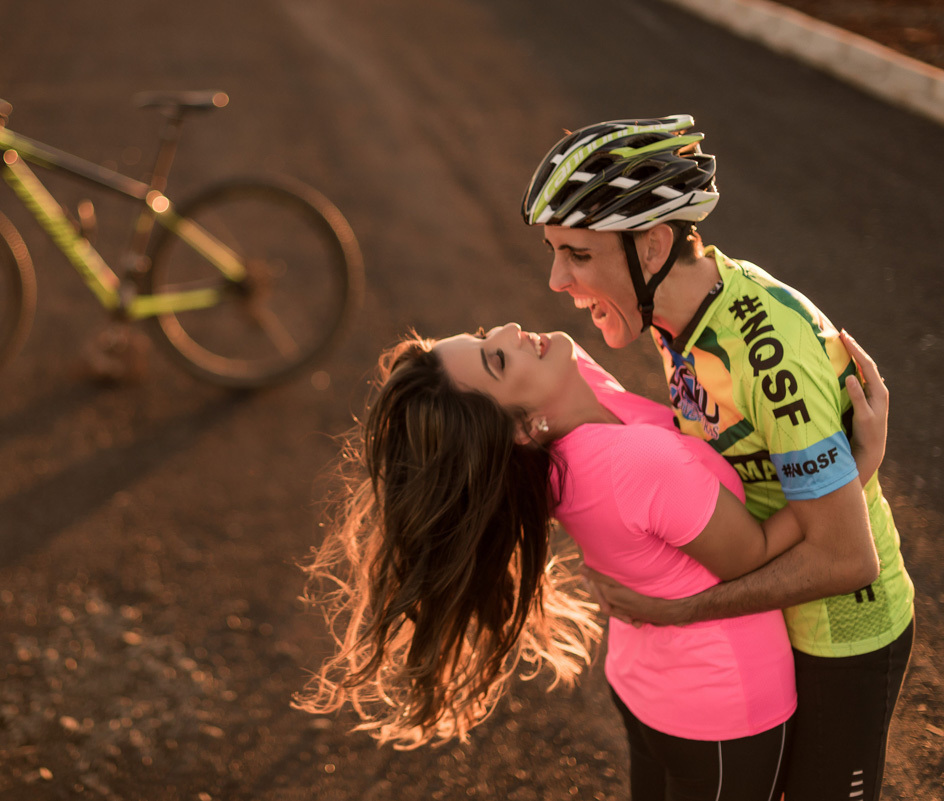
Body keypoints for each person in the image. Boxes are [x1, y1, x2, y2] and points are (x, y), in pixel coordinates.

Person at [296, 322, 887, 800]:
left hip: (647, 691)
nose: (507, 329)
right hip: (723, 711)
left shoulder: (569, 438)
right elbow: (750, 555)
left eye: (483, 338)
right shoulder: (636, 461)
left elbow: (590, 343)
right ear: (525, 427)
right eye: (496, 361)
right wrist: (856, 465)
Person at [520, 114, 914, 801]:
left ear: (651, 247)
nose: (557, 280)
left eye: (578, 255)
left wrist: (684, 610)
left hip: (842, 631)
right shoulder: (681, 313)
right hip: (778, 612)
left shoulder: (769, 356)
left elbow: (846, 558)